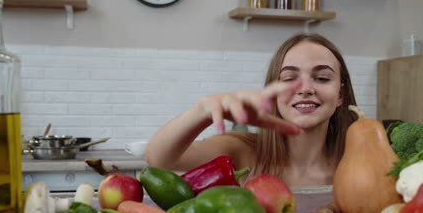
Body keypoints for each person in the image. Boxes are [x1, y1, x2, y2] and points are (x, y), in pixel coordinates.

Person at [145, 33, 358, 186]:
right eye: (289, 79)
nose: (305, 89)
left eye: (321, 78)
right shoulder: (243, 152)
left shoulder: (358, 162)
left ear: (340, 95)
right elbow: (160, 160)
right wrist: (202, 110)